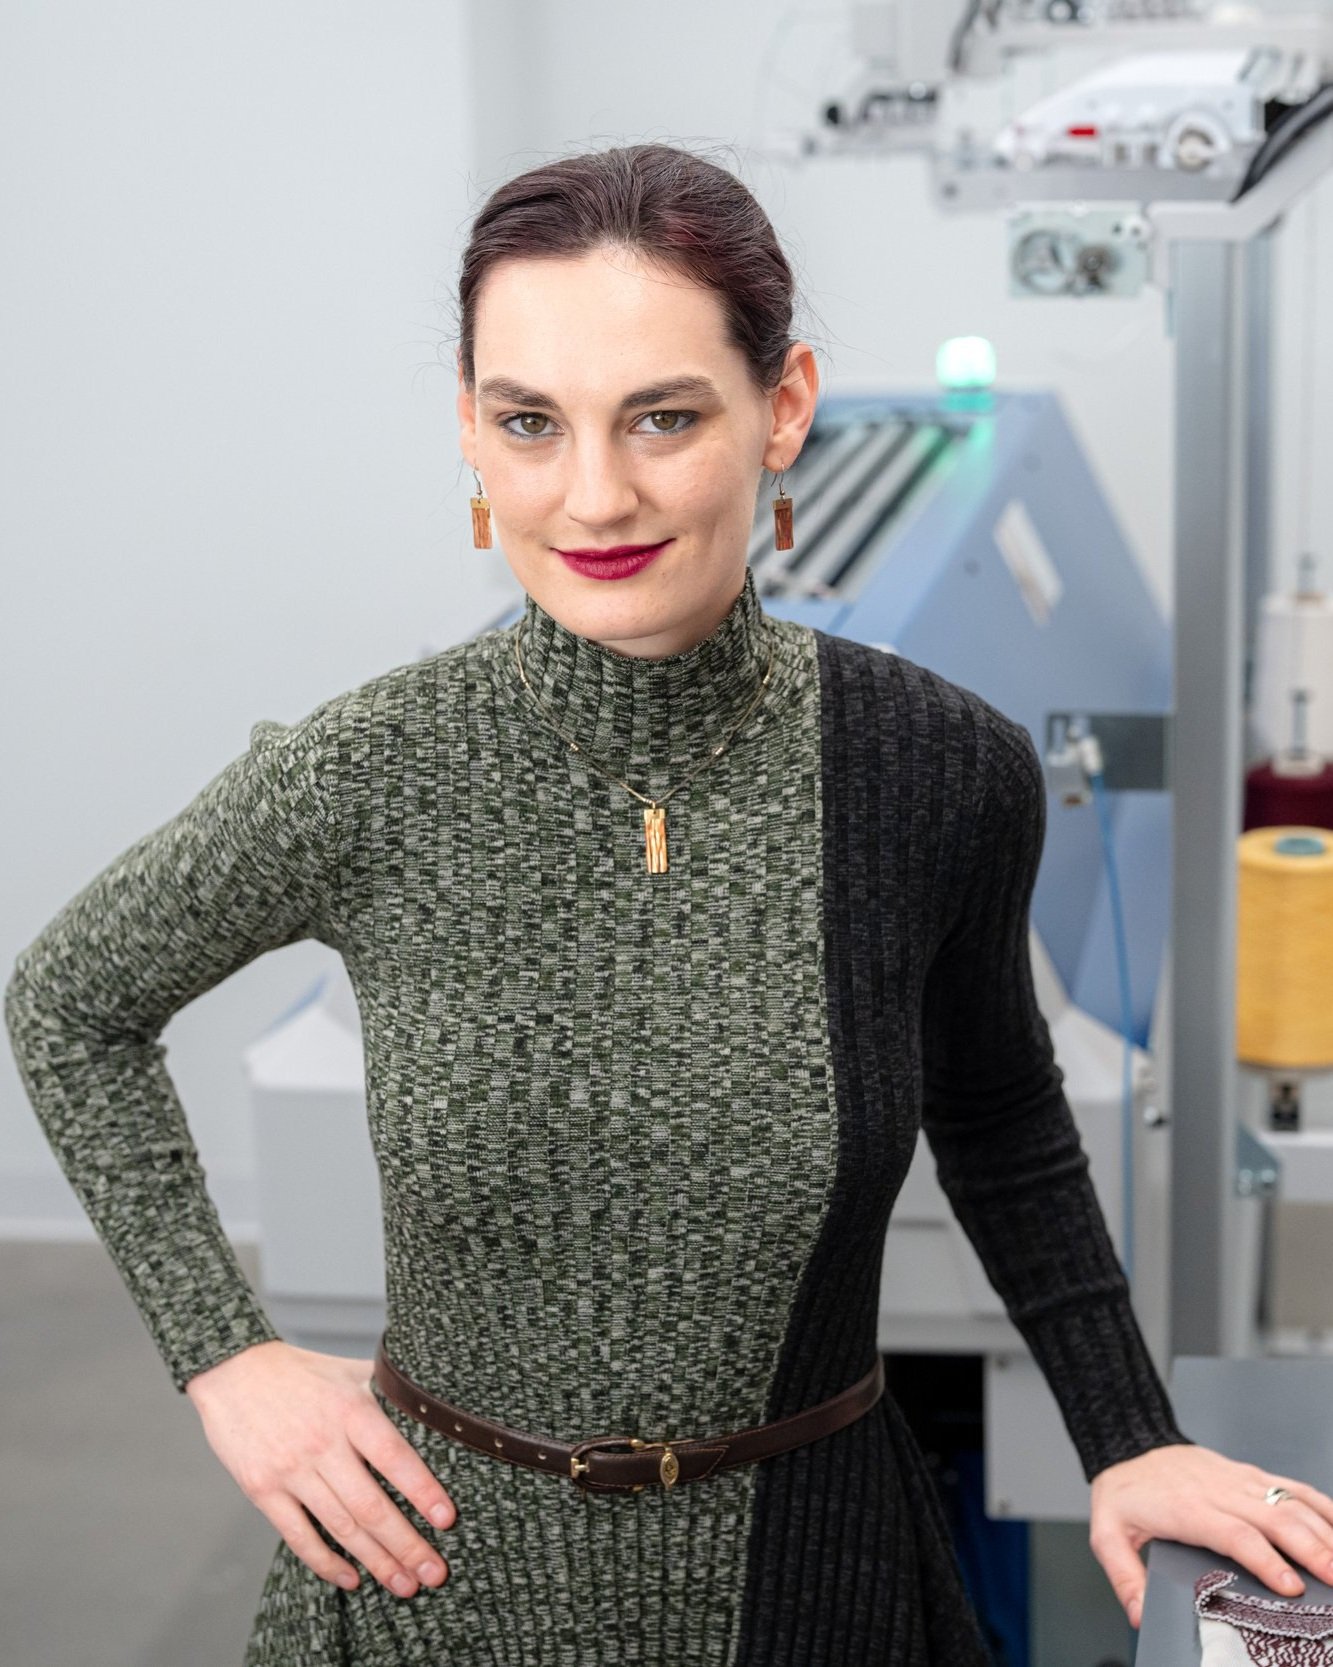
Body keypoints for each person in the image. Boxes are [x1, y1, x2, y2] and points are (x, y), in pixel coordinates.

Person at [7, 139, 1333, 1667]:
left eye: (663, 416)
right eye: (529, 423)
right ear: (468, 432)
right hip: (442, 1580)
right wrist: (221, 1354)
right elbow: (69, 1004)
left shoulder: (931, 771)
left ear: (783, 410)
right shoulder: (370, 773)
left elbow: (1003, 1117)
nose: (595, 495)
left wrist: (1125, 1435)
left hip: (817, 1574)